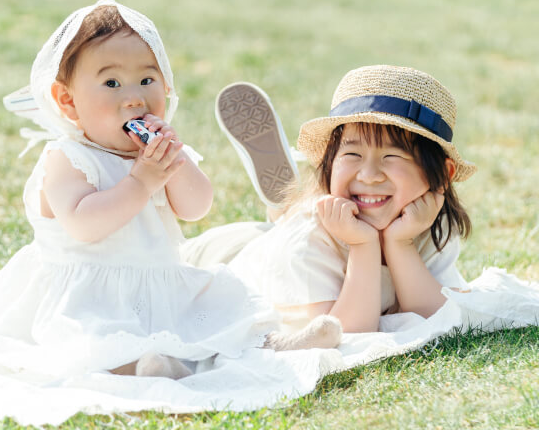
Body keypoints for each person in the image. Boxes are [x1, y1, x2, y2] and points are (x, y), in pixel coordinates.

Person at [0, 0, 344, 423]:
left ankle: (270, 345)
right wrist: (140, 182)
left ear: (165, 87)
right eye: (112, 84)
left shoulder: (156, 155)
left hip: (159, 284)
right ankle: (140, 368)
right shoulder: (67, 158)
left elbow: (197, 207)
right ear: (67, 101)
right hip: (89, 293)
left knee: (222, 310)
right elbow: (84, 224)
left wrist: (174, 164)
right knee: (95, 340)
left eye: (147, 79)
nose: (134, 99)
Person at [182, 66, 475, 333]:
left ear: (442, 175)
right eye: (352, 155)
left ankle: (283, 206)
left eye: (392, 156)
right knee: (284, 230)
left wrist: (400, 244)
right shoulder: (309, 239)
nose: (370, 175)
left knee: (280, 228)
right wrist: (363, 245)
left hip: (270, 241)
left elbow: (438, 317)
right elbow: (343, 334)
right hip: (218, 259)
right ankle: (287, 208)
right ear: (329, 161)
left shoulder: (428, 220)